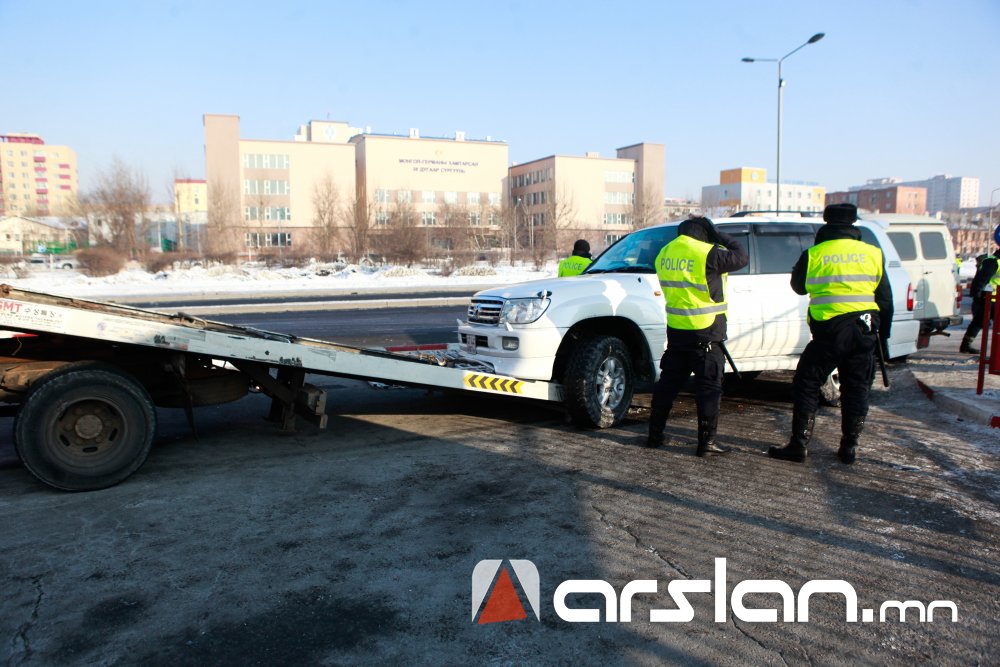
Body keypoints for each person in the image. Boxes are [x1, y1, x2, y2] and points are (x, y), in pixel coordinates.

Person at [769, 203, 893, 465]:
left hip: (829, 333)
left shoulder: (815, 254)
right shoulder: (872, 253)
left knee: (806, 382)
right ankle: (849, 448)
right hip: (864, 330)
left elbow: (798, 287)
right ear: (853, 224)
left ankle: (799, 444)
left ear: (826, 223)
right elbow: (885, 299)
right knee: (857, 388)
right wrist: (883, 337)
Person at [645, 216, 748, 456]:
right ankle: (707, 443)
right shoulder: (707, 253)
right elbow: (741, 256)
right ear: (705, 233)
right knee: (709, 388)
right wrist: (719, 235)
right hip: (707, 332)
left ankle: (654, 435)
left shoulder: (664, 253)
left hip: (677, 331)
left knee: (667, 386)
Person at [959, 243, 999, 354]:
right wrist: (977, 295)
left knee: (978, 321)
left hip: (994, 299)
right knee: (979, 322)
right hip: (990, 298)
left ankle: (965, 345)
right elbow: (981, 280)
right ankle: (966, 346)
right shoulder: (994, 262)